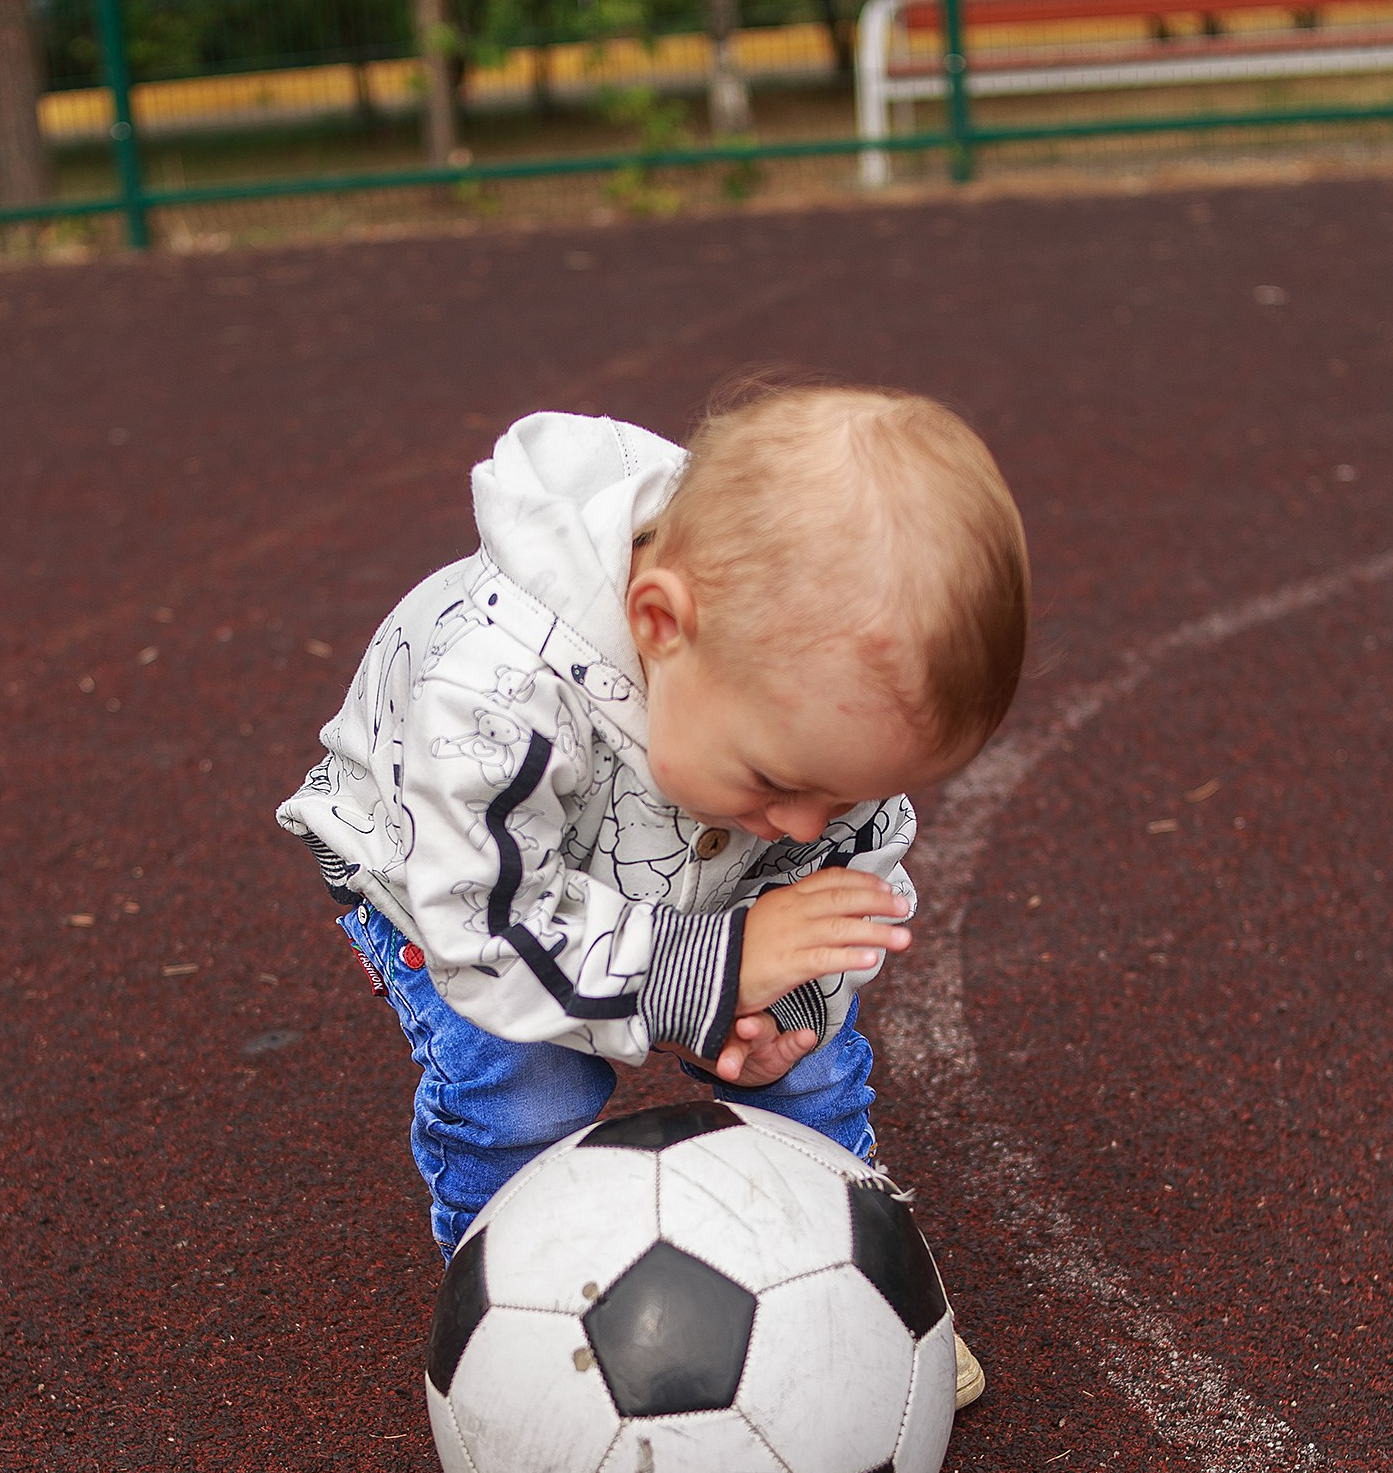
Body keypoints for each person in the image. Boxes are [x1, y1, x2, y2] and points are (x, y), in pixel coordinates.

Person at [278, 383, 1028, 1406]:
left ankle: (867, 1305)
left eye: (842, 792)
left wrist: (785, 1013)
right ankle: (514, 1341)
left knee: (806, 1074)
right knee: (523, 1088)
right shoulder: (489, 691)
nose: (810, 823)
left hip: (683, 875)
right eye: (778, 783)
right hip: (445, 895)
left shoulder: (795, 716)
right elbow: (494, 932)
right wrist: (717, 966)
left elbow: (845, 881)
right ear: (658, 623)